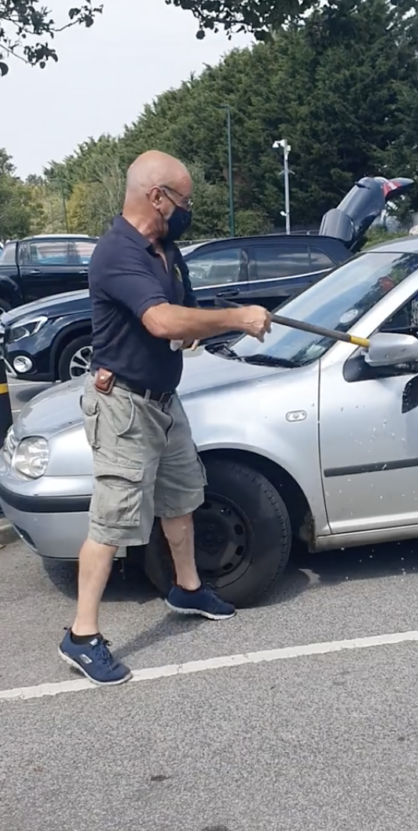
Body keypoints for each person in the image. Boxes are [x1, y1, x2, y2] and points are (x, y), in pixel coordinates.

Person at [59, 150, 271, 686]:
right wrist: (239, 318)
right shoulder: (116, 253)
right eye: (184, 200)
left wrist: (202, 326)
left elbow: (181, 319)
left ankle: (188, 587)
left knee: (181, 499)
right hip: (123, 407)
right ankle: (82, 636)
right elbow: (159, 319)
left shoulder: (165, 249)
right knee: (112, 522)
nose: (188, 209)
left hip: (164, 402)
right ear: (157, 197)